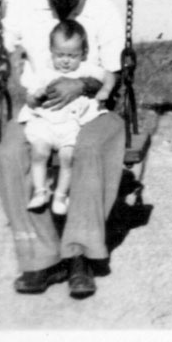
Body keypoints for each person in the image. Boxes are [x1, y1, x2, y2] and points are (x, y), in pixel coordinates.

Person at [0, 0, 125, 299]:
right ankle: (43, 258)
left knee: (89, 151)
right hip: (41, 111)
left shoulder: (103, 10)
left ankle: (79, 255)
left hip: (91, 108)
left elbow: (112, 75)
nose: (63, 1)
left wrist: (81, 83)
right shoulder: (22, 2)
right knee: (7, 157)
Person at [19, 20, 116, 217]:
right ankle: (40, 192)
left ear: (83, 53)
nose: (65, 61)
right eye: (60, 55)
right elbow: (30, 99)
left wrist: (105, 90)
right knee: (39, 153)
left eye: (72, 56)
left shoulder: (85, 69)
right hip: (45, 123)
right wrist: (35, 97)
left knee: (67, 158)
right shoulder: (45, 72)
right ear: (51, 52)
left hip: (70, 125)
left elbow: (109, 76)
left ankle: (60, 196)